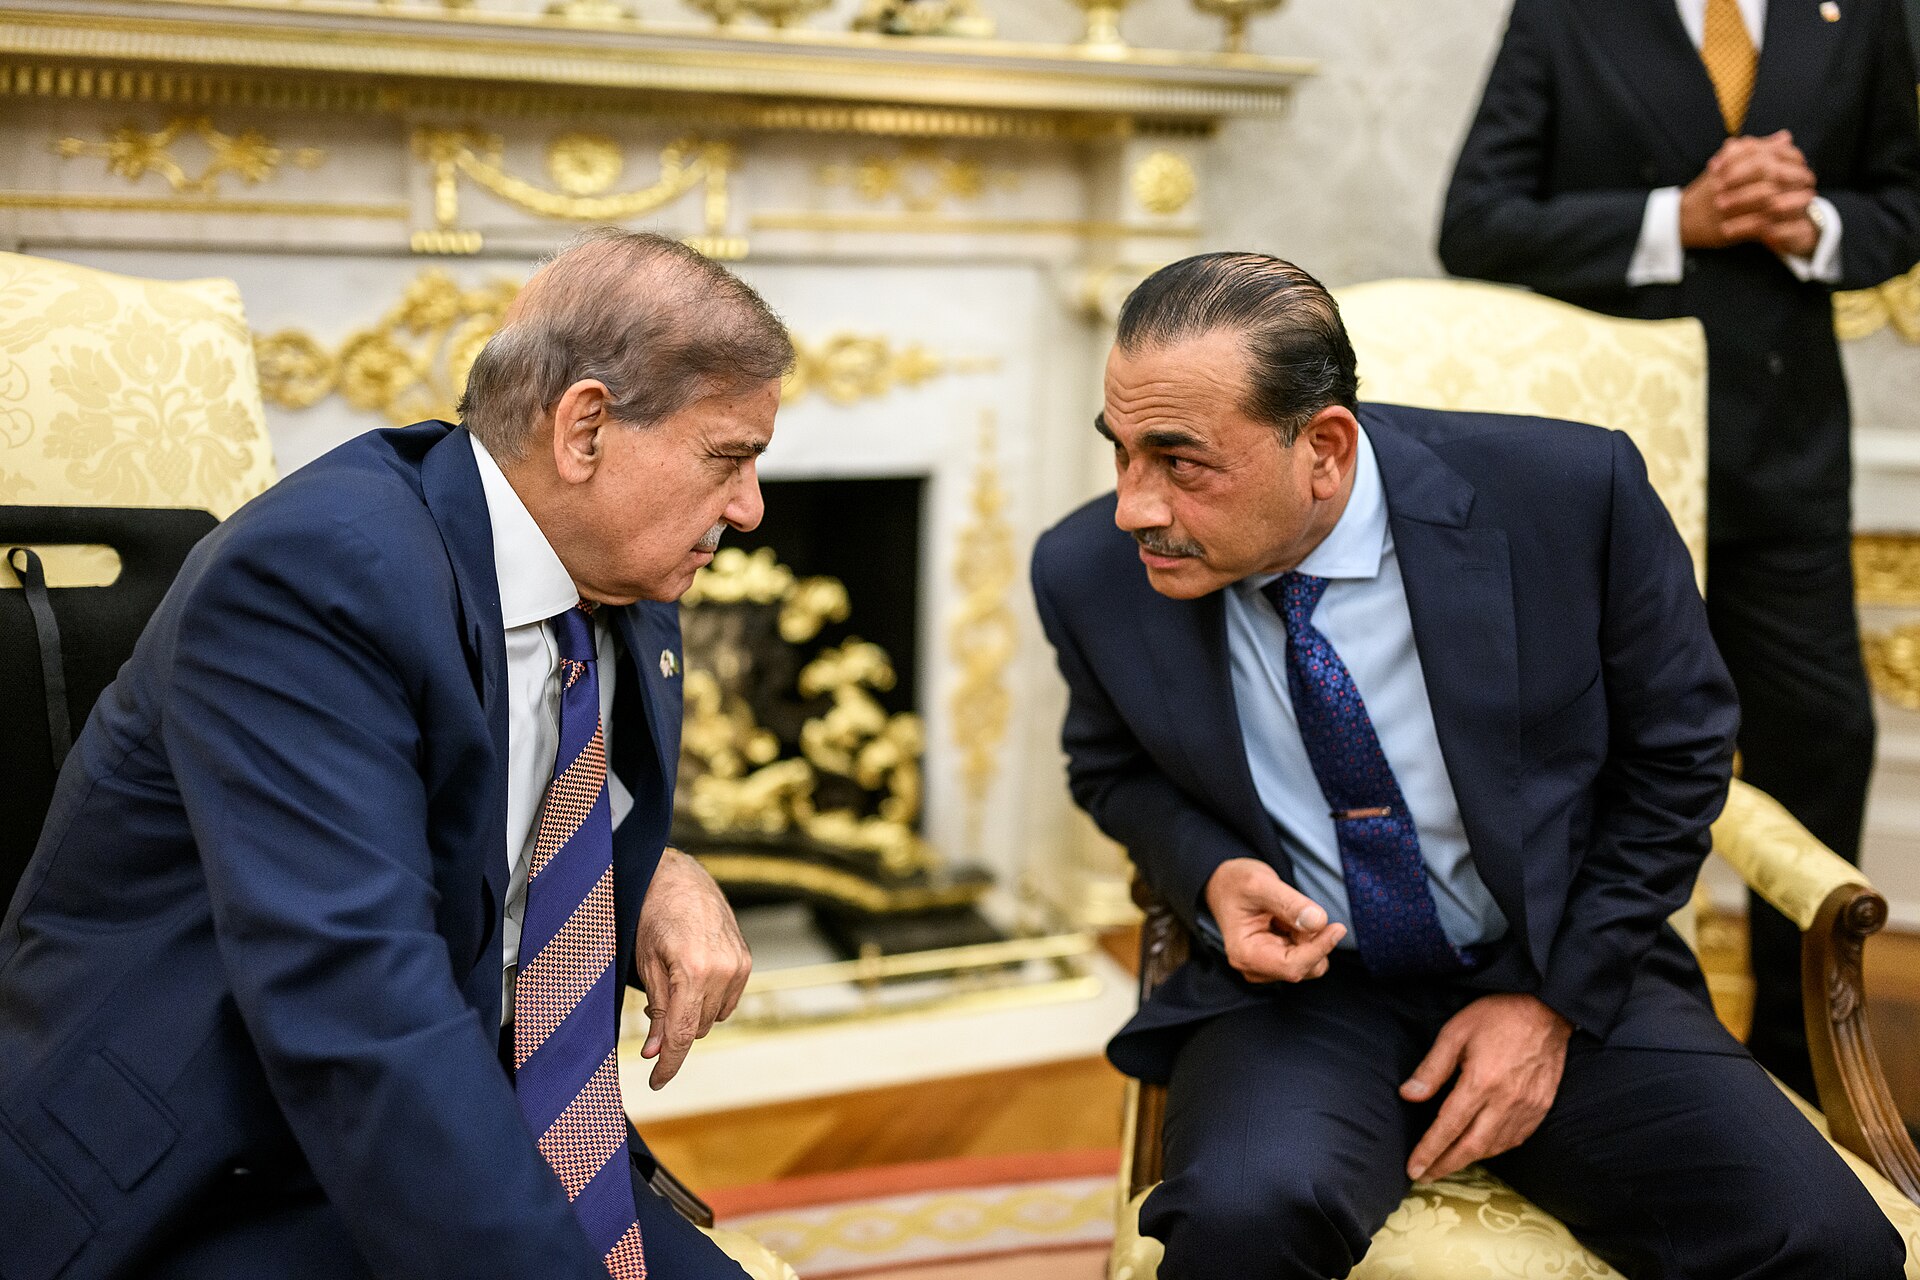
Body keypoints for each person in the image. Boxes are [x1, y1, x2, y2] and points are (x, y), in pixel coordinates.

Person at [1032, 252, 1903, 1279]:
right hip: (1303, 999)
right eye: (1122, 451)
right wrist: (1214, 875)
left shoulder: (1569, 499)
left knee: (1829, 1243)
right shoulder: (1089, 574)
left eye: (1180, 463)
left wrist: (1551, 1006)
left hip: (1558, 959)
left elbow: (1680, 755)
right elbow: (1110, 769)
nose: (1134, 506)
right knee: (1242, 1217)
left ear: (1323, 447)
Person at [0, 230, 790, 1280]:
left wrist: (654, 871)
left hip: (457, 1126)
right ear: (585, 428)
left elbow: (494, 798)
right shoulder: (317, 574)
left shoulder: (623, 576)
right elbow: (360, 1003)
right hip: (217, 1171)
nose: (749, 507)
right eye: (726, 457)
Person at [1438, 0, 1920, 1100]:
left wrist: (1813, 223)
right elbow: (1476, 224)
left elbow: (1900, 206)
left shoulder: (1860, 11)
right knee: (1587, 748)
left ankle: (1802, 1068)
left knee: (1822, 742)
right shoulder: (1564, 13)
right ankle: (1584, 1035)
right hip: (1600, 469)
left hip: (1783, 461)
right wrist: (1677, 220)